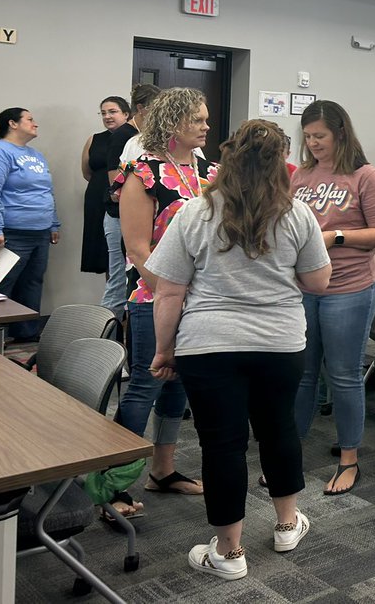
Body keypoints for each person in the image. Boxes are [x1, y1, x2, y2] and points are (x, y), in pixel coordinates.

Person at [147, 119, 332, 581]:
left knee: (222, 445)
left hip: (208, 345)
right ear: (281, 165)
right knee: (279, 429)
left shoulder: (195, 212)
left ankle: (229, 553)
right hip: (279, 344)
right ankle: (287, 525)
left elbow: (168, 292)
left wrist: (165, 350)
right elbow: (318, 282)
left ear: (227, 159)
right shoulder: (297, 215)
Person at [291, 101, 375, 495]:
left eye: (320, 136)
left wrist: (336, 237)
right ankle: (289, 456)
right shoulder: (301, 176)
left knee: (344, 376)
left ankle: (349, 460)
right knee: (302, 376)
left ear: (340, 133)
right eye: (308, 137)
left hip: (348, 289)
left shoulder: (365, 176)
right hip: (305, 289)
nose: (313, 143)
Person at [112, 87, 213, 497]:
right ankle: (112, 487)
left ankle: (162, 471)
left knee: (178, 386)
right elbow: (138, 249)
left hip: (199, 300)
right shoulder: (142, 172)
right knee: (145, 386)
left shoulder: (211, 172)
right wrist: (174, 296)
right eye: (198, 119)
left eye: (206, 119)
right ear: (173, 122)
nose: (207, 126)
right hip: (152, 297)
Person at [0, 108, 59, 341]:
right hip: (6, 230)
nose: (35, 123)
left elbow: (45, 191)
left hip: (38, 231)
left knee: (31, 283)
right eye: (30, 119)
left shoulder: (36, 155)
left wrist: (53, 223)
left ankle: (26, 335)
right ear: (12, 124)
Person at [102, 84, 161, 315]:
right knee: (119, 279)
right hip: (120, 216)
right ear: (142, 108)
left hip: (140, 217)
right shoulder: (126, 137)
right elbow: (116, 184)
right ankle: (106, 332)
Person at [80, 96, 129, 291]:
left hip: (123, 202)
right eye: (103, 113)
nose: (107, 116)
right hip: (97, 199)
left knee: (123, 252)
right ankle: (113, 298)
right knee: (104, 254)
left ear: (126, 114)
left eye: (113, 112)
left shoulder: (133, 139)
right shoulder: (94, 139)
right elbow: (87, 172)